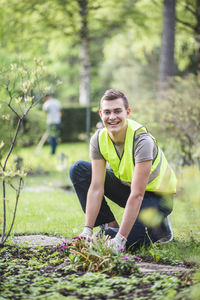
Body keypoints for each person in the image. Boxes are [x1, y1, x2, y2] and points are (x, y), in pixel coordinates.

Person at [70, 89, 177, 253]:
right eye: (107, 112)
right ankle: (110, 226)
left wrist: (120, 239)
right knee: (79, 170)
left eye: (117, 111)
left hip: (158, 196)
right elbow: (96, 187)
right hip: (129, 188)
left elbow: (137, 195)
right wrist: (87, 230)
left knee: (129, 244)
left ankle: (161, 228)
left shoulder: (142, 141)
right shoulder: (98, 139)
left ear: (127, 112)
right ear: (100, 114)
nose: (112, 117)